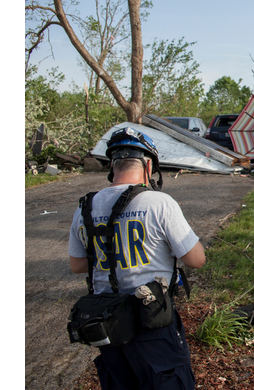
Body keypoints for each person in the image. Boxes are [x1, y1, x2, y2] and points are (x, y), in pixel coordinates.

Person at [68, 127, 206, 390]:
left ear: (112, 164)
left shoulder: (85, 207)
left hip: (108, 325)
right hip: (152, 321)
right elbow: (196, 259)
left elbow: (78, 265)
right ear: (149, 165)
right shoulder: (159, 203)